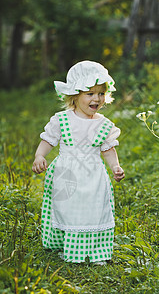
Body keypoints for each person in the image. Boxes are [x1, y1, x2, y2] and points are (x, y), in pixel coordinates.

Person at [32, 60, 125, 264]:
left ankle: (95, 250)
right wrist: (40, 156)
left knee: (94, 210)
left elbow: (108, 150)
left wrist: (115, 167)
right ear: (75, 95)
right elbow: (48, 140)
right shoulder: (62, 119)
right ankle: (67, 245)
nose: (96, 98)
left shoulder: (104, 124)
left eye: (101, 93)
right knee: (67, 210)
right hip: (67, 173)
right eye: (90, 93)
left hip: (93, 175)